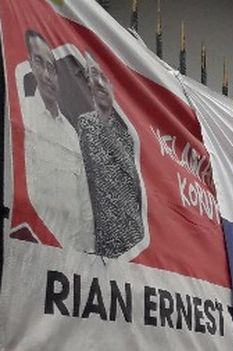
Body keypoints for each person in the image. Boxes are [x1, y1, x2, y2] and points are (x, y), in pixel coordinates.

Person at [21, 29, 94, 252]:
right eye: (39, 63)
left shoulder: (71, 135)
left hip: (70, 264)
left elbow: (85, 208)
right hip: (35, 254)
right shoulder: (24, 121)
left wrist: (88, 255)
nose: (46, 74)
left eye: (51, 68)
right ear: (30, 66)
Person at [77, 53, 144, 257]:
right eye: (91, 78)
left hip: (134, 237)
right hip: (107, 240)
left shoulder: (127, 135)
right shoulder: (87, 123)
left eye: (103, 78)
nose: (98, 84)